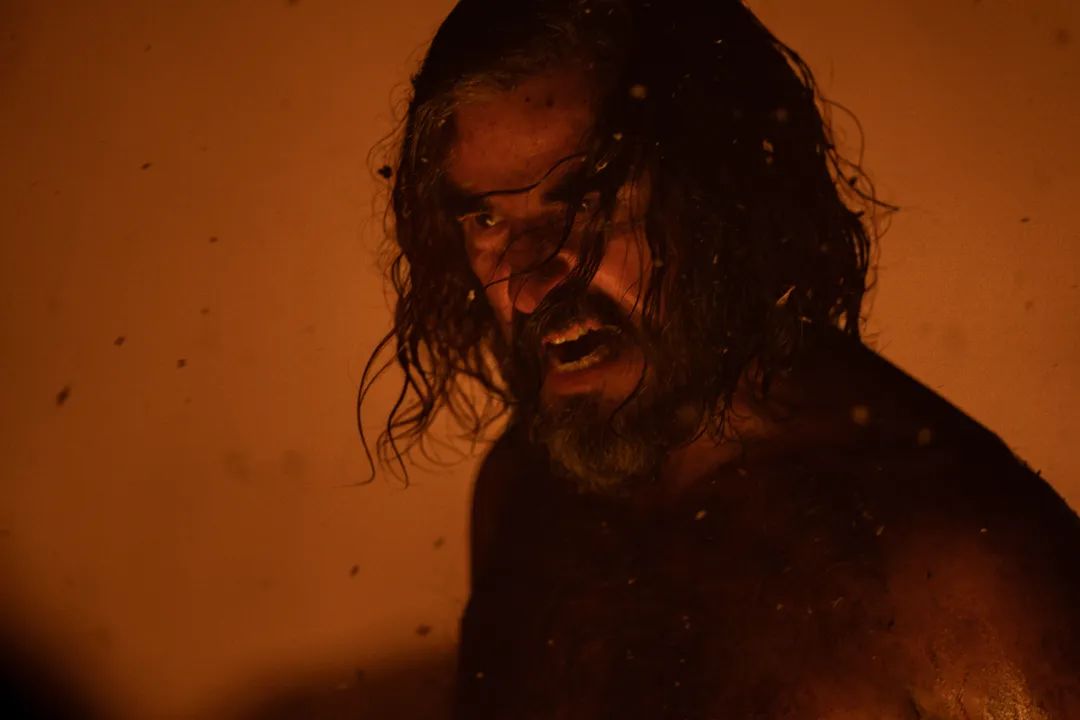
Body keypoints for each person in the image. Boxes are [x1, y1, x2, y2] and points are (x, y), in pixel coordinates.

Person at [359, 0, 1080, 716]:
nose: (526, 285)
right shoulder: (525, 489)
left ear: (723, 194)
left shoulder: (964, 572)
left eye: (587, 203)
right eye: (487, 218)